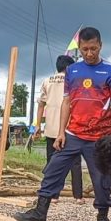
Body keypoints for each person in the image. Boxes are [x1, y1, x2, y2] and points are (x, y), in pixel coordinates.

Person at [14, 27, 111, 221]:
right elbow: (66, 102)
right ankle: (40, 212)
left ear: (101, 45)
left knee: (101, 179)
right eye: (85, 49)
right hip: (73, 134)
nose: (89, 53)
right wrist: (61, 132)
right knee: (52, 170)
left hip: (100, 137)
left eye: (93, 48)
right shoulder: (72, 71)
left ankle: (102, 218)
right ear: (79, 49)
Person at [34, 55, 84, 204]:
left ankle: (53, 196)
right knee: (75, 163)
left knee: (52, 162)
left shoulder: (47, 81)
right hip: (70, 128)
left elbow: (41, 104)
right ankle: (78, 196)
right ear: (69, 67)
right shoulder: (73, 80)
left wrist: (37, 125)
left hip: (50, 127)